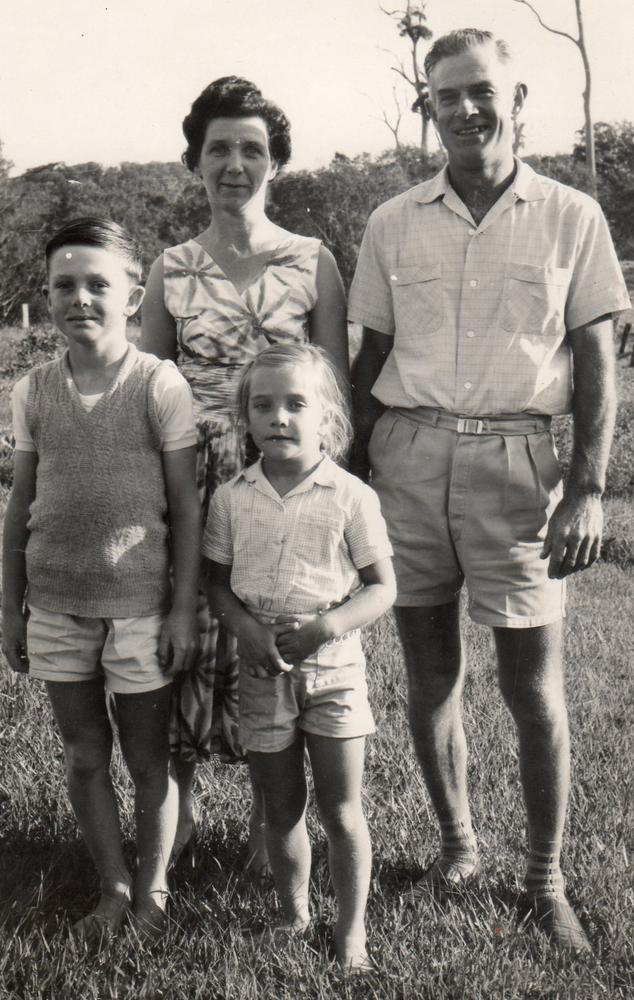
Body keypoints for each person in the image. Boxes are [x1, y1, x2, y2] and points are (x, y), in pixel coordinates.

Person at [348, 28, 630, 953]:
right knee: (430, 673)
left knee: (532, 687)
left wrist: (588, 488)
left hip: (519, 464)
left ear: (516, 102)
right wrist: (348, 467)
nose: (464, 110)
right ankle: (458, 846)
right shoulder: (392, 221)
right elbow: (373, 355)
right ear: (428, 109)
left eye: (481, 92)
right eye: (445, 96)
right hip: (407, 456)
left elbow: (596, 361)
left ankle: (544, 880)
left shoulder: (572, 215)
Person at [140, 76, 349, 870]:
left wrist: (328, 500)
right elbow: (148, 389)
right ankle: (180, 814)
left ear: (277, 164)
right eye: (219, 147)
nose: (235, 163)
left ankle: (275, 822)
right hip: (191, 481)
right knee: (185, 637)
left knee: (277, 634)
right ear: (195, 159)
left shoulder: (312, 260)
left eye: (253, 150)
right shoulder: (173, 266)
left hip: (285, 481)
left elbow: (335, 396)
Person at [1, 218, 201, 941]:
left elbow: (184, 506)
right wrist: (11, 606)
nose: (79, 298)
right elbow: (21, 503)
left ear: (134, 297)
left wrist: (182, 609)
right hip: (55, 605)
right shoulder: (32, 390)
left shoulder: (158, 384)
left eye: (97, 285)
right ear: (47, 296)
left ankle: (154, 891)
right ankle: (111, 886)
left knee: (149, 758)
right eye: (63, 285)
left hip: (140, 608)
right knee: (85, 753)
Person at [202, 343, 395, 969]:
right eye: (263, 405)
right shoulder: (231, 497)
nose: (278, 417)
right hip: (262, 669)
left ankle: (353, 932)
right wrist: (247, 630)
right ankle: (293, 914)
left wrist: (326, 627)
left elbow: (382, 587)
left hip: (333, 669)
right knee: (281, 808)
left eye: (295, 404)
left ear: (327, 420)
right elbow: (215, 582)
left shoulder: (350, 496)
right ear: (246, 417)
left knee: (341, 808)